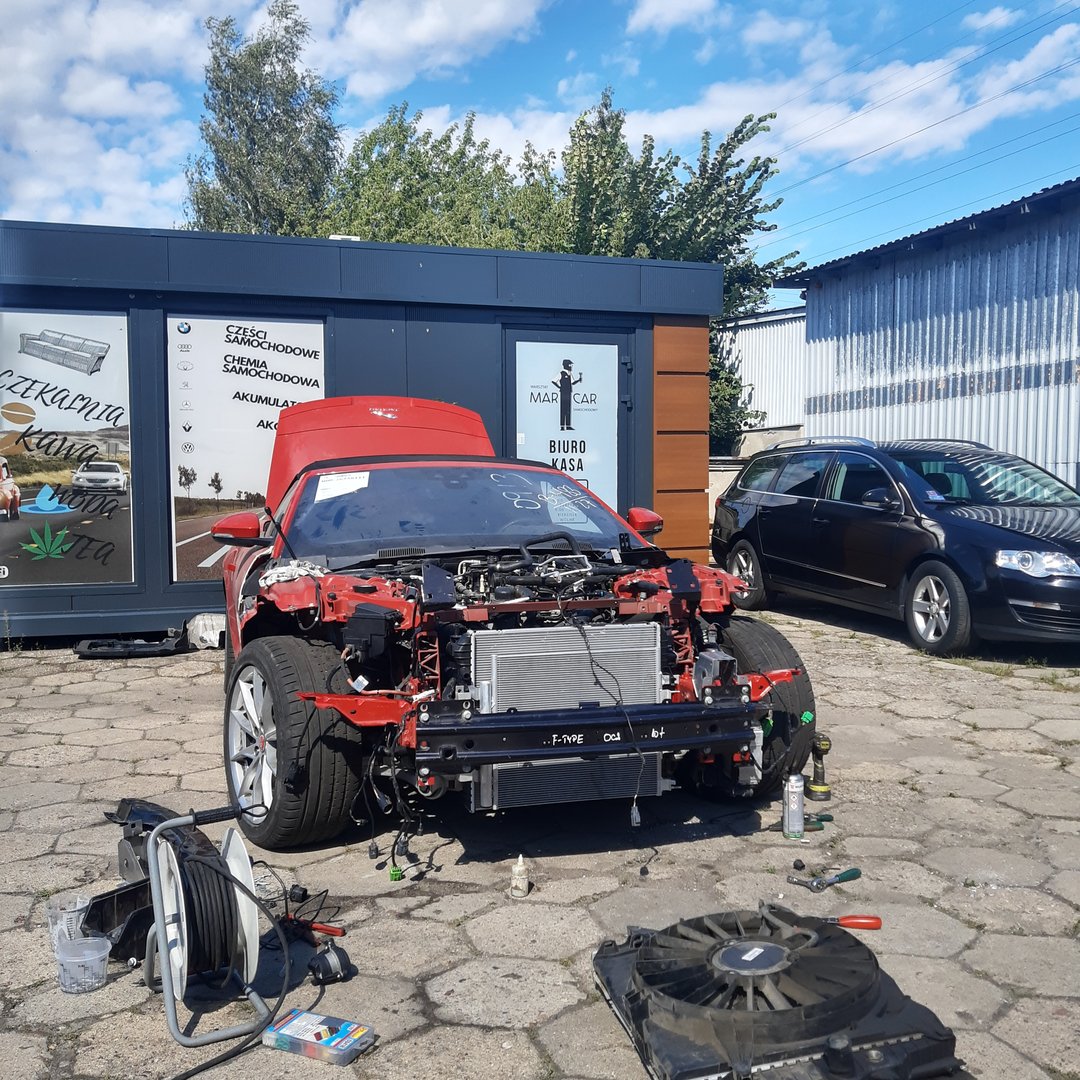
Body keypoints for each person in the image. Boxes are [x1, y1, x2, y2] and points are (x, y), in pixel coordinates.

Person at [552, 358, 582, 430]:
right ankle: (562, 426)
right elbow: (553, 381)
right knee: (563, 409)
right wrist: (559, 387)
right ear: (566, 365)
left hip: (568, 393)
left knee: (568, 409)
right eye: (570, 365)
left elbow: (573, 382)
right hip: (563, 393)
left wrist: (578, 380)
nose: (571, 366)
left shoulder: (569, 374)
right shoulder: (561, 373)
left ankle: (568, 426)